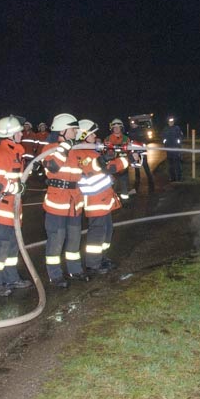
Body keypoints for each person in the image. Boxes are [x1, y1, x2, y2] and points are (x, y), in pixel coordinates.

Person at [75, 119, 135, 274]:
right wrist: (128, 159)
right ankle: (93, 264)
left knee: (107, 231)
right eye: (92, 134)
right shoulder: (81, 153)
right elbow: (108, 167)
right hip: (95, 201)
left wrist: (122, 156)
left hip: (104, 199)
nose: (95, 136)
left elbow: (106, 165)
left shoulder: (91, 151)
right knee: (97, 234)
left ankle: (101, 258)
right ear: (83, 135)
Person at [0, 115, 34, 297]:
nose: (22, 133)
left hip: (13, 209)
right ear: (10, 134)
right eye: (19, 131)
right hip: (3, 210)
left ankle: (11, 277)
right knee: (0, 247)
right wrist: (16, 187)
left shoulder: (15, 152)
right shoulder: (1, 153)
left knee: (12, 247)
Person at [41, 113, 89, 288]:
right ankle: (55, 275)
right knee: (56, 239)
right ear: (63, 130)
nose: (76, 131)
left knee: (75, 238)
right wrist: (64, 148)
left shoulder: (75, 149)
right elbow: (53, 167)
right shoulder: (50, 148)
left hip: (74, 201)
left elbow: (86, 168)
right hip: (57, 202)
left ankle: (75, 270)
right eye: (74, 129)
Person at [103, 118, 133, 199]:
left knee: (124, 184)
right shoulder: (107, 139)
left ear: (121, 128)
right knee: (112, 185)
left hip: (124, 166)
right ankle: (112, 201)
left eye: (118, 127)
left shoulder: (126, 139)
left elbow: (130, 151)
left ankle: (125, 201)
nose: (116, 128)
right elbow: (104, 152)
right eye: (114, 127)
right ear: (112, 128)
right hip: (112, 166)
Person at [129, 119, 155, 194]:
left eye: (134, 123)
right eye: (132, 124)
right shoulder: (131, 131)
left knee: (146, 167)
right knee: (136, 169)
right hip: (134, 153)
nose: (133, 125)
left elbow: (145, 140)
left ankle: (151, 186)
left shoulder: (141, 131)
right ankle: (136, 188)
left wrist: (142, 147)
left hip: (142, 152)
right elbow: (129, 141)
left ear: (137, 124)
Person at [162, 116, 185, 182]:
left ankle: (179, 178)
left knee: (177, 164)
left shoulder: (177, 128)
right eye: (170, 122)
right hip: (169, 150)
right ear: (168, 122)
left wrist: (179, 142)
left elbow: (181, 136)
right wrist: (165, 142)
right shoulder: (165, 129)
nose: (171, 123)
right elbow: (163, 137)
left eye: (172, 122)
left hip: (176, 149)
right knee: (170, 165)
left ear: (173, 122)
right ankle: (172, 178)